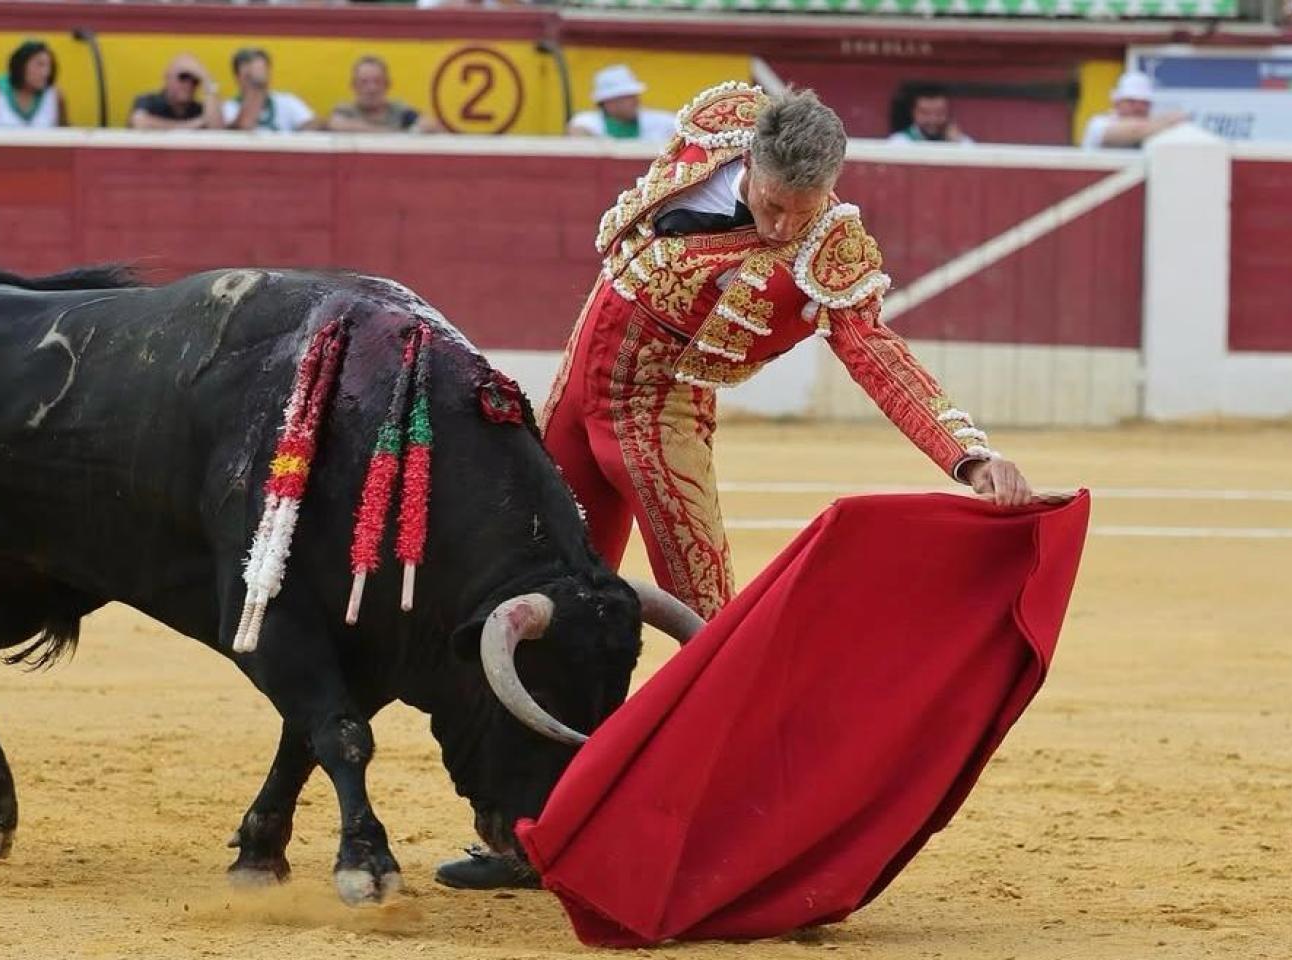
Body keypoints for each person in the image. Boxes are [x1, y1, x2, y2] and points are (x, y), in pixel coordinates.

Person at [434, 84, 1034, 890]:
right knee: (544, 609)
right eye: (774, 204)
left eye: (804, 209)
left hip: (661, 420)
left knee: (710, 630)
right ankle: (528, 832)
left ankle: (719, 836)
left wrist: (966, 455)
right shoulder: (716, 125)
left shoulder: (830, 247)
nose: (783, 227)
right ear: (749, 160)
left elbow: (879, 356)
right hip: (576, 397)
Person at [326, 55, 442, 133]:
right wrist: (394, 134)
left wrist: (422, 127)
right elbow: (336, 124)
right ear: (354, 86)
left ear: (387, 85)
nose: (372, 89)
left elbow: (430, 124)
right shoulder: (346, 111)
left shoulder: (400, 111)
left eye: (377, 82)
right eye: (364, 82)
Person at [567, 65, 676, 143]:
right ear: (608, 102)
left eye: (634, 96)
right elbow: (578, 132)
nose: (636, 101)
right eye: (627, 97)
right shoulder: (588, 122)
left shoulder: (656, 121)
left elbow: (681, 123)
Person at [1081, 72, 1188, 149]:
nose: (1138, 107)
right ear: (1117, 103)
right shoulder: (1098, 124)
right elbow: (1135, 131)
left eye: (1144, 103)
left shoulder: (1156, 127)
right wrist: (1172, 120)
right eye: (1131, 101)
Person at [222, 48, 315, 133]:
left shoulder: (287, 101)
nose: (256, 74)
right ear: (238, 78)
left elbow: (310, 126)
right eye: (248, 75)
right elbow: (240, 130)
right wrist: (256, 88)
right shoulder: (229, 107)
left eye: (262, 70)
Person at [129, 53, 224, 131]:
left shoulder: (199, 109)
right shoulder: (149, 101)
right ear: (167, 78)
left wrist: (206, 78)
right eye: (183, 77)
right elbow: (139, 123)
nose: (188, 84)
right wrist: (193, 125)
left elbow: (216, 129)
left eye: (195, 80)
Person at [888, 83, 973, 144]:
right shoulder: (899, 141)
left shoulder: (961, 141)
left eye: (939, 113)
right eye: (925, 113)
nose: (932, 119)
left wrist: (957, 145)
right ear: (913, 113)